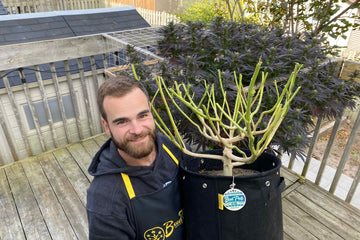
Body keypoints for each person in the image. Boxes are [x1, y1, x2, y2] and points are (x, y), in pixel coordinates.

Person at [86, 76, 187, 240]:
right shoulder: (105, 198)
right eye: (122, 122)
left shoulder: (175, 150)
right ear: (107, 127)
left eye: (142, 116)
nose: (137, 129)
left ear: (151, 113)